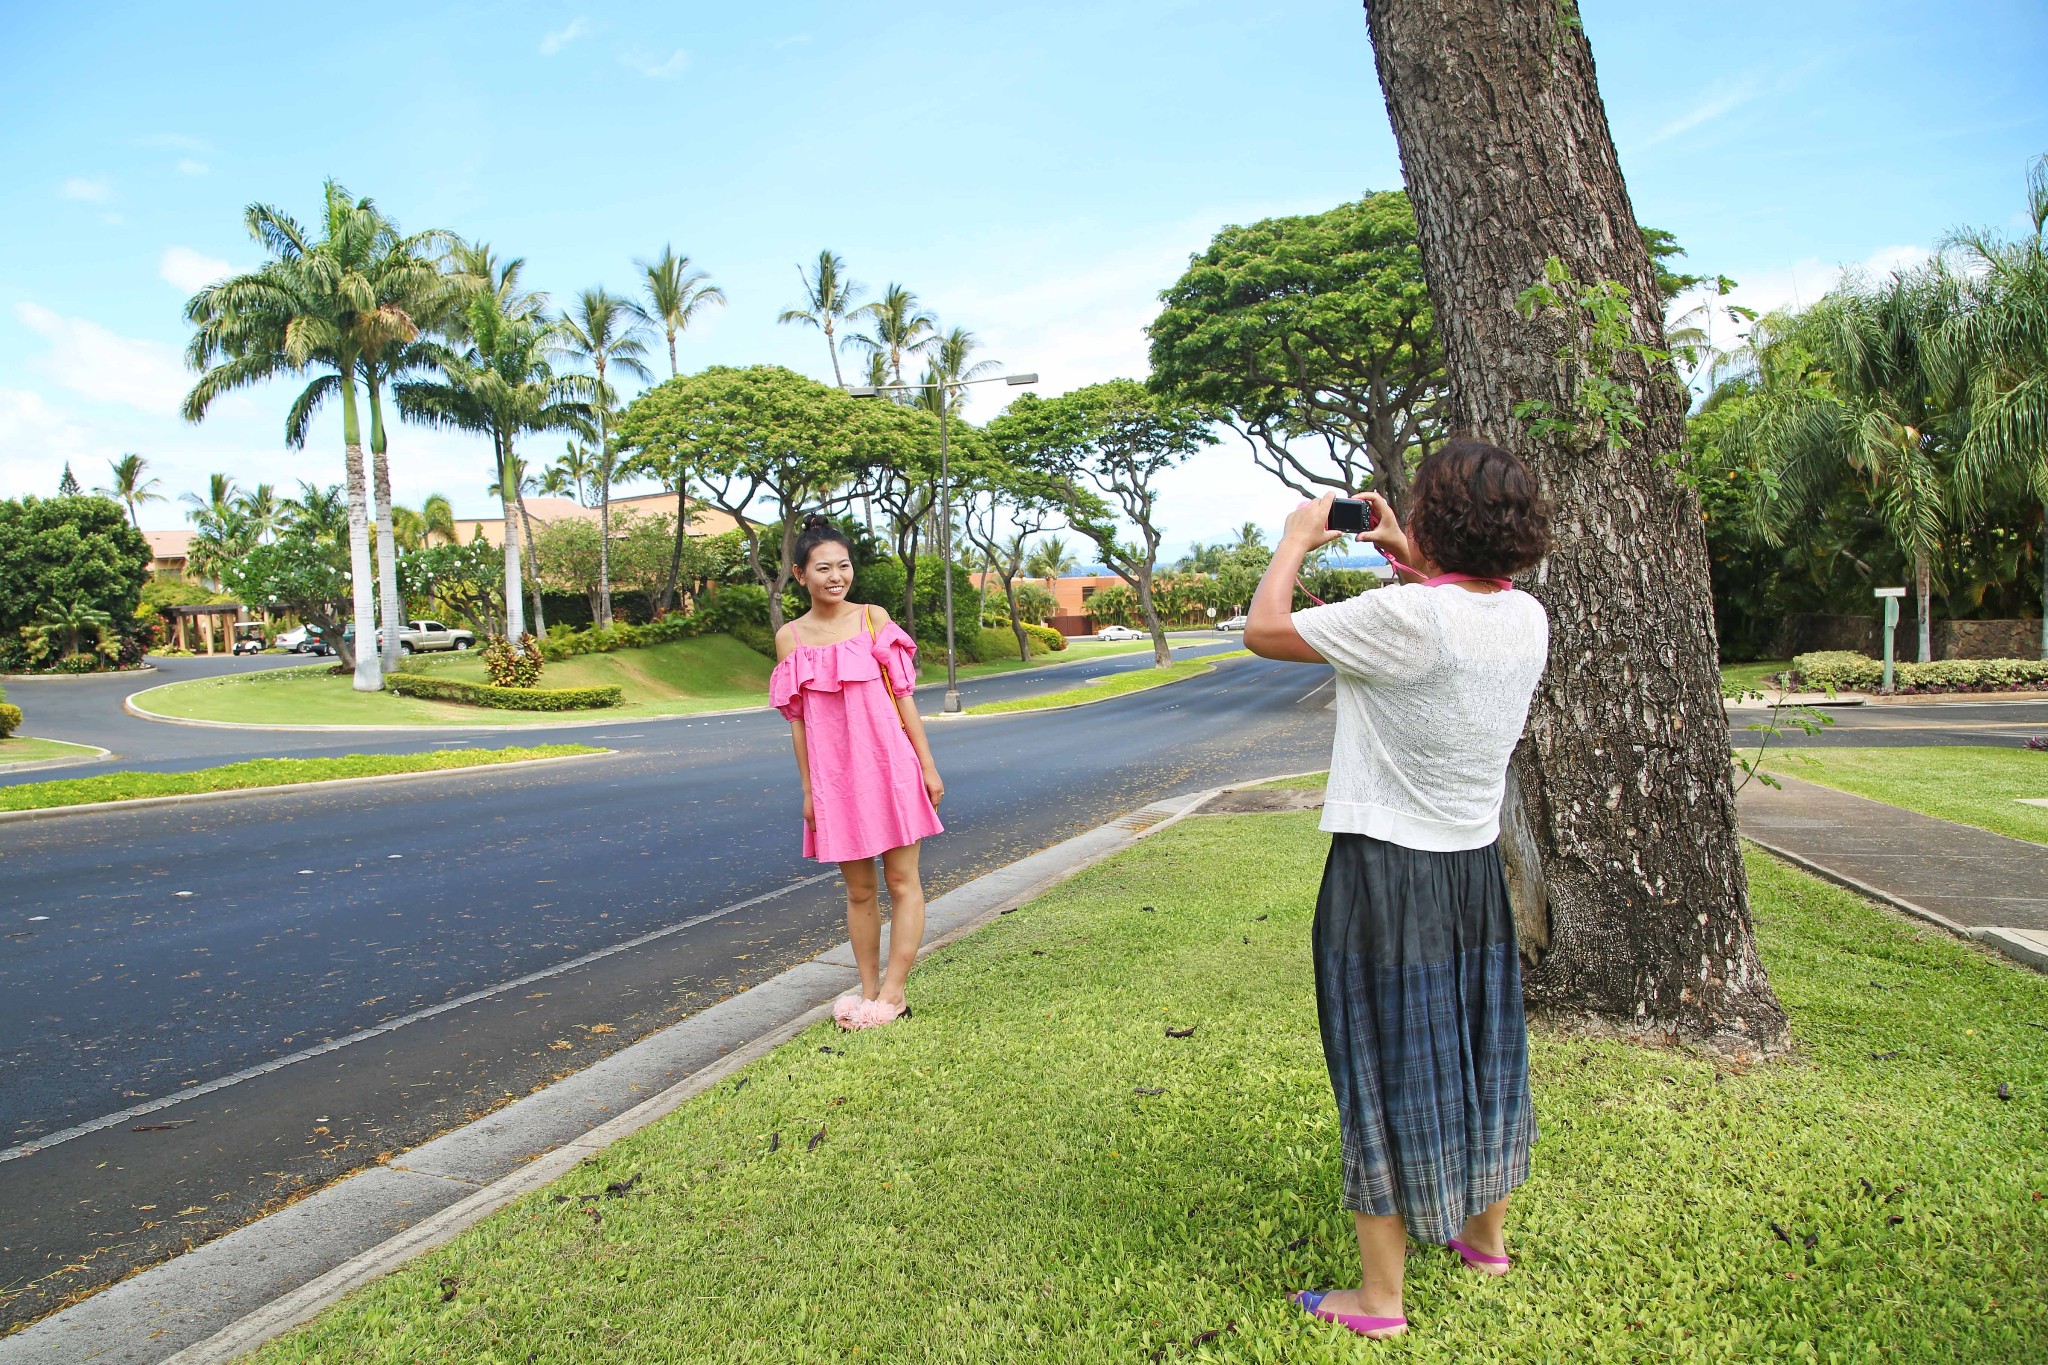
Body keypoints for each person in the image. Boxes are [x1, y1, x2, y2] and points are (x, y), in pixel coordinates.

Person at [1243, 437, 1552, 1341]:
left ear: (1436, 520)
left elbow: (1264, 630)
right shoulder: (1524, 616)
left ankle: (1380, 1299)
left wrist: (1300, 536)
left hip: (1385, 872)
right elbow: (1459, 592)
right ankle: (1484, 1238)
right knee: (1478, 1046)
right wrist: (1406, 548)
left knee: (1378, 1066)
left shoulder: (1405, 619)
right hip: (1471, 869)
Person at [769, 514, 946, 1030]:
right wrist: (808, 790)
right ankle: (868, 993)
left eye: (843, 566)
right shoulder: (790, 637)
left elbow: (905, 699)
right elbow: (798, 723)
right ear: (800, 575)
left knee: (901, 879)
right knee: (860, 891)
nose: (836, 576)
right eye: (823, 568)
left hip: (890, 765)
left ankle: (894, 994)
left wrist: (927, 767)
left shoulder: (873, 617)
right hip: (835, 780)